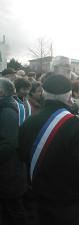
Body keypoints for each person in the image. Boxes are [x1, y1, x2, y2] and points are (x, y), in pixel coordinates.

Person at [18, 74, 79, 225]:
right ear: (69, 96)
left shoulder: (29, 121)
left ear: (44, 93)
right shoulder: (75, 124)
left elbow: (23, 155)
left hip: (39, 194)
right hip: (68, 198)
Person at [0, 78, 28, 225]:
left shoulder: (7, 112)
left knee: (15, 212)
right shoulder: (6, 107)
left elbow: (9, 143)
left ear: (1, 92)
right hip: (9, 172)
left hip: (9, 173)